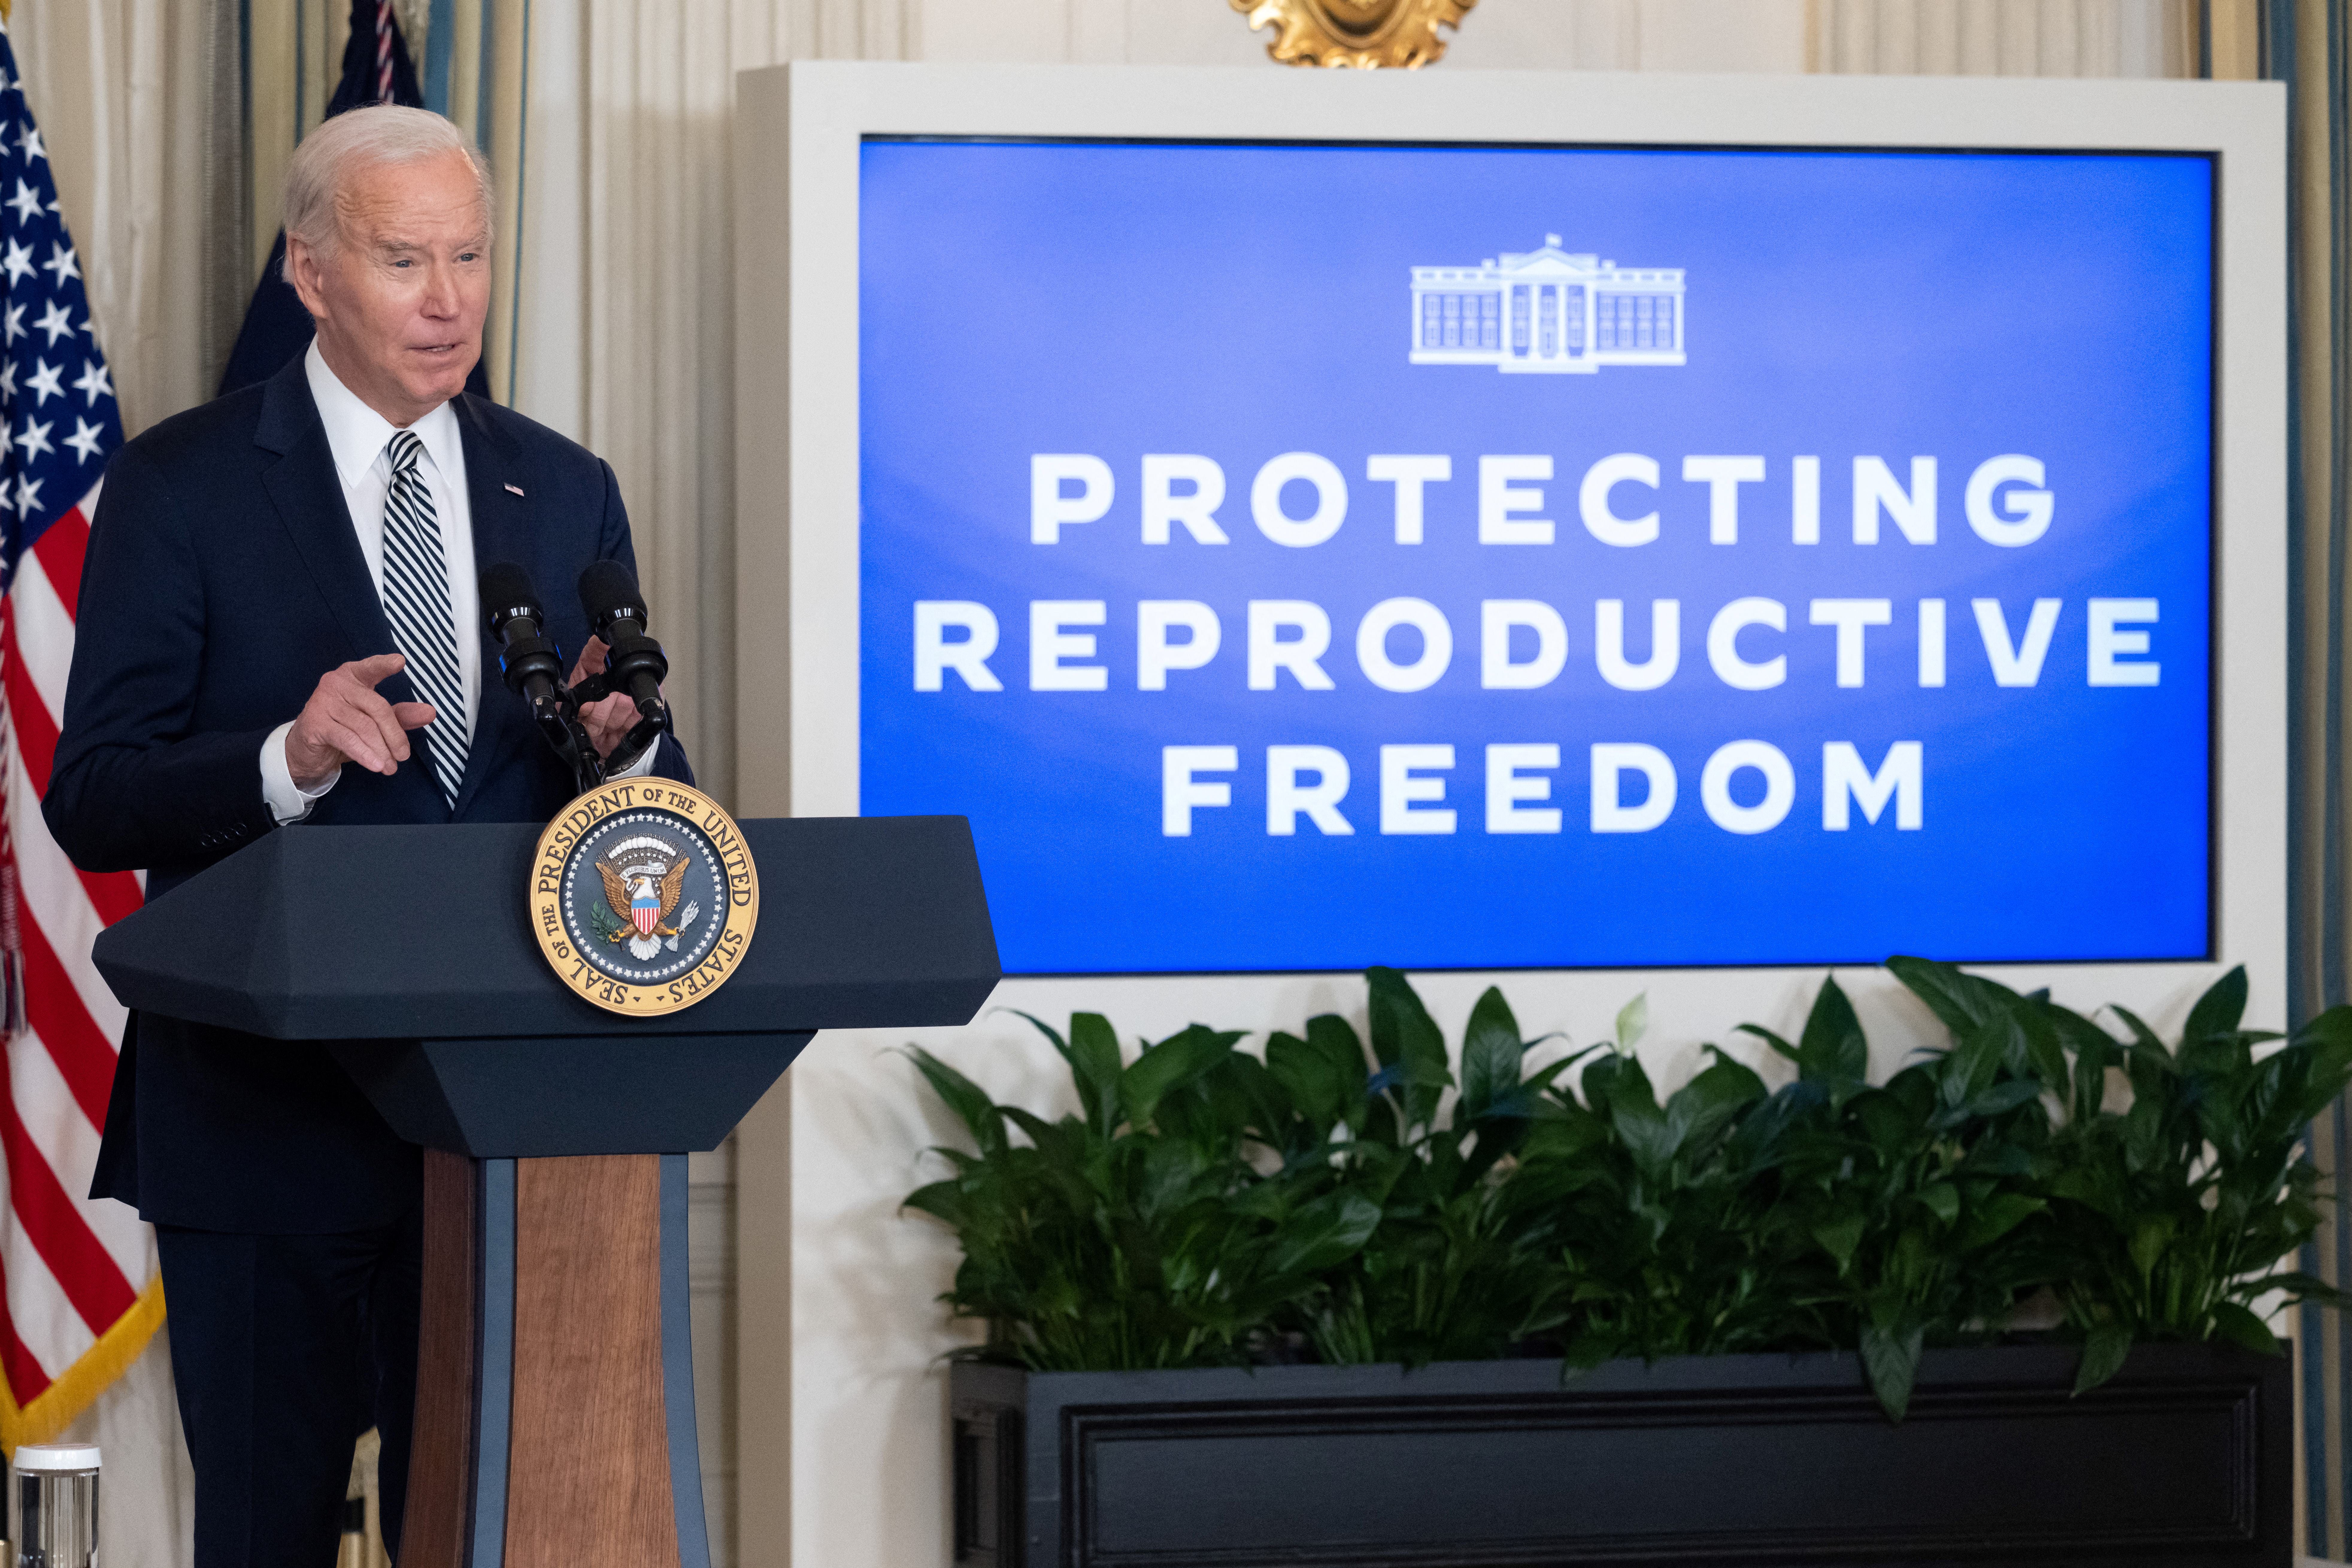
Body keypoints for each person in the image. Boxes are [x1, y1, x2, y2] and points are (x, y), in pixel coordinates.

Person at [41, 105, 689, 1565]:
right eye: (406, 260)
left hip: (506, 1138)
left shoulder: (562, 484)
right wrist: (287, 755)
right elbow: (97, 789)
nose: (450, 298)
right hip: (262, 1129)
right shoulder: (185, 483)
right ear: (312, 270)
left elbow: (640, 794)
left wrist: (622, 744)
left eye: (469, 255)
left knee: (487, 1535)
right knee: (266, 1537)